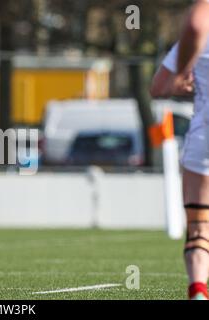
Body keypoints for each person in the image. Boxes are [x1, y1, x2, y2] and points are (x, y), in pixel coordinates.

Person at [150, 0, 209, 300]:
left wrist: (182, 73)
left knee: (199, 228)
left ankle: (198, 290)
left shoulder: (200, 26)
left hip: (205, 138)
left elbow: (158, 87)